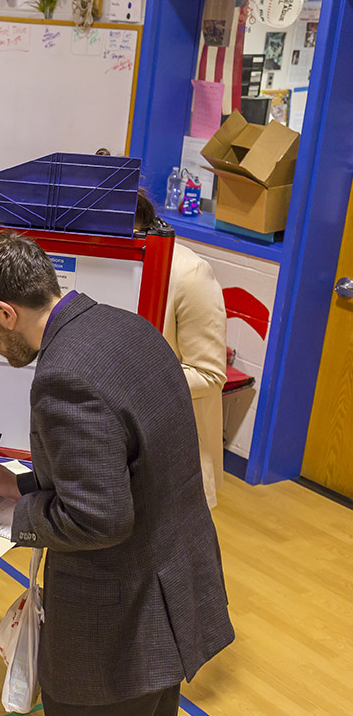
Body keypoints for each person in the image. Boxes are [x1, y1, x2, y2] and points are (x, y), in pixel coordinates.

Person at [0, 230, 234, 716]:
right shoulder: (128, 327)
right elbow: (130, 466)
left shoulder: (64, 376)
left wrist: (11, 518)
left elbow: (100, 519)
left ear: (5, 312)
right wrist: (26, 484)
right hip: (170, 597)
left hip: (116, 632)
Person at [135, 191, 227, 507]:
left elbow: (209, 374)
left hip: (170, 448)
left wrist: (131, 386)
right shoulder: (97, 263)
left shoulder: (189, 272)